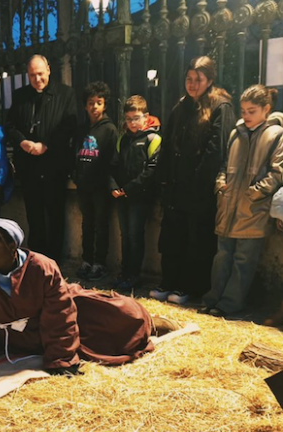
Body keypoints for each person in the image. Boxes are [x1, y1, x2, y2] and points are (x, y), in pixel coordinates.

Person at [0, 219, 161, 374]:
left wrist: (61, 361)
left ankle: (152, 321)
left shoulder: (42, 268)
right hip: (23, 337)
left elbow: (60, 317)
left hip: (66, 312)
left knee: (125, 315)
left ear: (12, 249)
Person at [153, 56, 236, 304]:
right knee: (172, 238)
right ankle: (170, 282)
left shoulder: (221, 107)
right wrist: (165, 178)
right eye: (189, 79)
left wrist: (197, 182)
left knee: (196, 240)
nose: (192, 84)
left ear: (209, 80)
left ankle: (190, 287)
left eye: (198, 80)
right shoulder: (181, 106)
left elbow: (216, 151)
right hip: (176, 187)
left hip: (198, 189)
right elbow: (167, 145)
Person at [199, 85, 283, 317]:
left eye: (251, 111)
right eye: (243, 110)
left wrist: (254, 193)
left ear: (266, 109)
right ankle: (213, 298)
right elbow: (225, 165)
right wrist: (220, 184)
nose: (245, 115)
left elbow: (277, 173)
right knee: (222, 257)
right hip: (228, 206)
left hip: (253, 209)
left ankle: (230, 303)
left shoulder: (276, 135)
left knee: (243, 260)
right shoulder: (236, 132)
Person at [5, 55, 77, 260]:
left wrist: (46, 145)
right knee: (34, 215)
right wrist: (22, 142)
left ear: (48, 70)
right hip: (29, 167)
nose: (37, 79)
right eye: (32, 75)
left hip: (54, 165)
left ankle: (54, 260)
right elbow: (10, 125)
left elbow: (69, 125)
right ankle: (36, 258)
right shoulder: (20, 96)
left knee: (55, 214)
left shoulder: (66, 94)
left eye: (40, 74)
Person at [109, 95, 162, 290]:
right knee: (126, 235)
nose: (132, 122)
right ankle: (124, 272)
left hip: (139, 197)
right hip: (122, 196)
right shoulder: (122, 139)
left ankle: (134, 275)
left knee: (135, 235)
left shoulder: (153, 139)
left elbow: (152, 170)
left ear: (146, 117)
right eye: (129, 118)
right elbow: (113, 165)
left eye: (136, 118)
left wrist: (128, 189)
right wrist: (113, 186)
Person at [73, 82, 118, 282]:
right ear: (85, 106)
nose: (94, 107)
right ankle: (87, 260)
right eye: (90, 103)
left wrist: (107, 182)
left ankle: (100, 262)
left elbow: (113, 159)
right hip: (83, 186)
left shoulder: (109, 129)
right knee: (87, 224)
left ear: (105, 105)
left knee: (101, 224)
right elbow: (73, 155)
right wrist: (76, 177)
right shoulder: (81, 130)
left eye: (98, 103)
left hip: (100, 186)